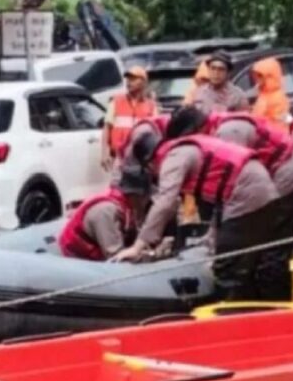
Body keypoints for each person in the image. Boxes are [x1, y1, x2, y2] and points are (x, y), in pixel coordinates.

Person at [113, 110, 280, 301]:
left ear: (149, 164)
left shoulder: (172, 158)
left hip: (249, 195)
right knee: (243, 261)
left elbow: (166, 202)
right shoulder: (185, 148)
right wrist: (210, 239)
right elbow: (221, 197)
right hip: (259, 190)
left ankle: (229, 320)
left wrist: (139, 245)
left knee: (228, 267)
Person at [214, 113, 293, 299]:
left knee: (272, 251)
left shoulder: (228, 133)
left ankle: (274, 308)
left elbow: (238, 174)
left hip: (287, 178)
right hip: (283, 174)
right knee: (261, 248)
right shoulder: (227, 130)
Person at [59, 164, 151, 260]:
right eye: (145, 197)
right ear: (136, 196)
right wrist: (150, 255)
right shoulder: (106, 212)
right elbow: (116, 257)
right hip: (77, 259)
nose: (146, 200)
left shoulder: (126, 206)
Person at [102, 66, 158, 172]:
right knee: (117, 186)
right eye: (128, 79)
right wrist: (104, 153)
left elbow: (156, 133)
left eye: (133, 79)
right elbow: (107, 128)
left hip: (141, 159)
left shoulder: (151, 106)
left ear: (143, 82)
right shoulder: (116, 101)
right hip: (119, 157)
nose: (129, 82)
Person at [250, 57, 290, 132]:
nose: (256, 79)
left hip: (273, 138)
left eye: (259, 76)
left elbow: (280, 123)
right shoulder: (264, 94)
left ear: (269, 76)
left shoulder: (278, 98)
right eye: (256, 76)